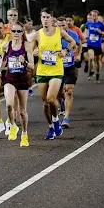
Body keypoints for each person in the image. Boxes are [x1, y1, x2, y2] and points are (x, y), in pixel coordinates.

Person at [29, 8, 78, 140]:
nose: (45, 20)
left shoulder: (59, 31)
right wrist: (33, 53)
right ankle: (51, 126)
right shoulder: (37, 34)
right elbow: (30, 50)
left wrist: (65, 50)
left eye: (47, 17)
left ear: (52, 18)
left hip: (56, 70)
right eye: (43, 17)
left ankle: (56, 120)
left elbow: (72, 42)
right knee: (45, 103)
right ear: (41, 18)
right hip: (42, 71)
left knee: (51, 98)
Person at [0, 23, 34, 146]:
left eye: (19, 31)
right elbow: (4, 59)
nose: (16, 34)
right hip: (10, 79)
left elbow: (32, 66)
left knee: (22, 111)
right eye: (14, 31)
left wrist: (24, 62)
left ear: (22, 32)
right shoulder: (7, 45)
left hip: (23, 80)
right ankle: (12, 126)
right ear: (10, 32)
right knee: (9, 105)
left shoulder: (27, 46)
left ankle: (24, 134)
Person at [85, 10, 104, 83]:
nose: (94, 17)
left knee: (97, 61)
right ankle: (91, 71)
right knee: (91, 58)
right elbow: (85, 31)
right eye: (93, 15)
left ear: (97, 16)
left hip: (97, 45)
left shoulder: (101, 24)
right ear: (91, 16)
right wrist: (85, 37)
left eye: (95, 15)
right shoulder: (88, 24)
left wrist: (100, 32)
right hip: (90, 44)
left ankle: (97, 74)